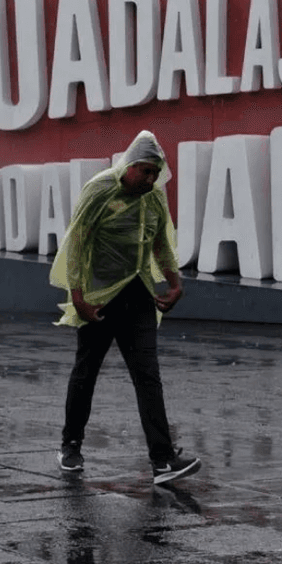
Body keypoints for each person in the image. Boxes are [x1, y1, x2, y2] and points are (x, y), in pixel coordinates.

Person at [50, 130, 201, 486]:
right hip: (99, 294)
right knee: (86, 372)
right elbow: (77, 242)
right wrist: (78, 296)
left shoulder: (153, 199)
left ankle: (163, 461)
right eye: (145, 171)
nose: (151, 179)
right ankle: (70, 446)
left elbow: (162, 241)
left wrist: (175, 283)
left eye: (156, 173)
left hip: (137, 294)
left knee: (148, 376)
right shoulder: (99, 190)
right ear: (129, 165)